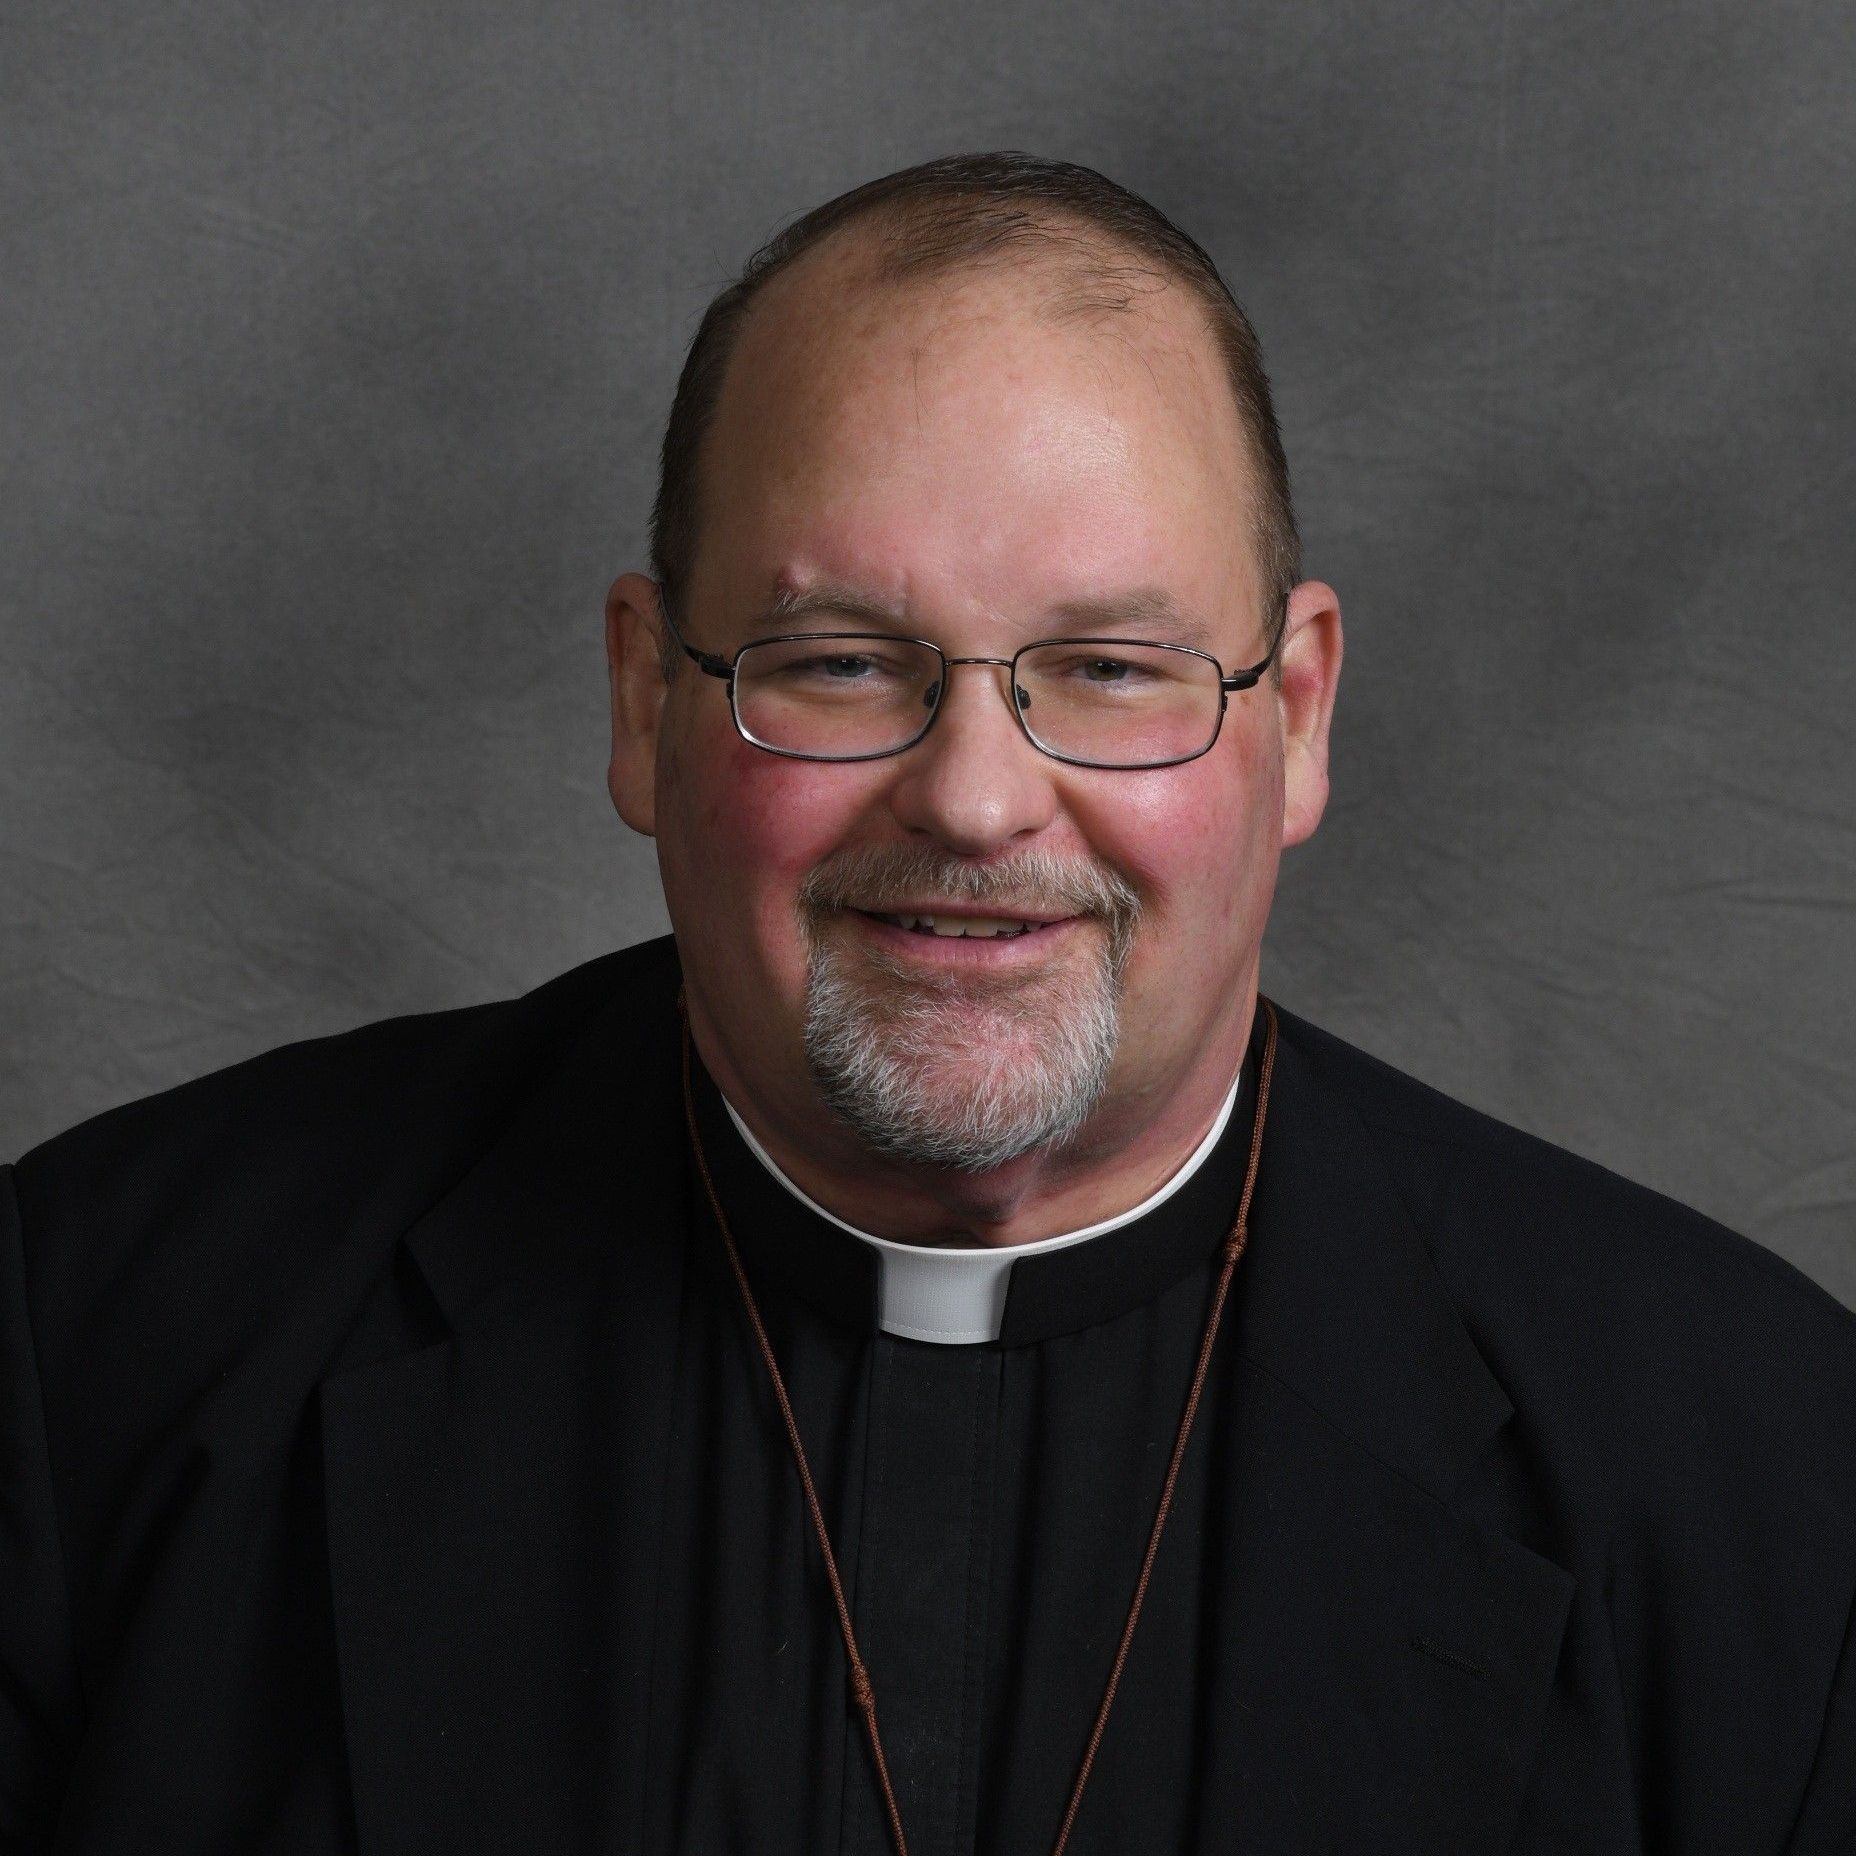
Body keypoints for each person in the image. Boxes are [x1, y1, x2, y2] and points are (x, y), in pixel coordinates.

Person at [3, 152, 1852, 1856]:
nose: (973, 801)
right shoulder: (96, 1349)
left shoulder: (1762, 1475)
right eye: (838, 664)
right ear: (645, 701)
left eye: (1109, 668)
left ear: (1293, 718)